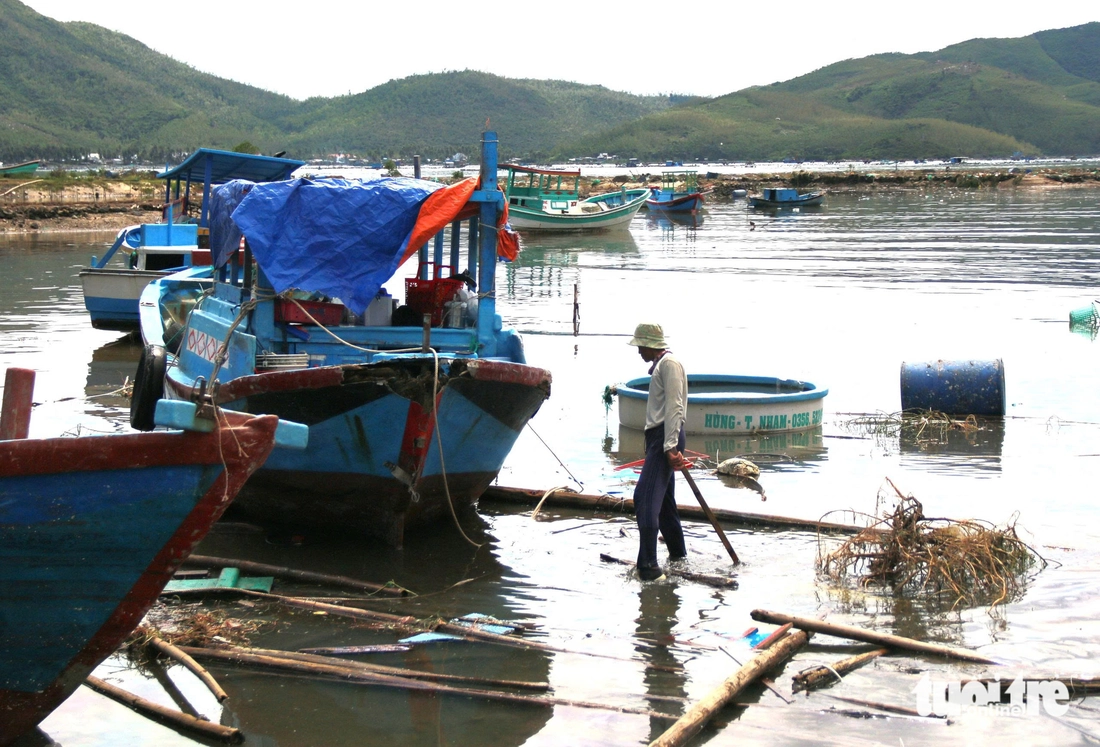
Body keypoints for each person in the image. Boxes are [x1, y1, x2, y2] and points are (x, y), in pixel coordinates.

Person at [627, 322, 688, 581]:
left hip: (665, 437)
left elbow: (675, 407)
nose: (639, 350)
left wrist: (670, 446)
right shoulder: (660, 366)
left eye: (641, 345)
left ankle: (649, 566)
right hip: (660, 437)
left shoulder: (669, 365)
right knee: (663, 504)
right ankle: (678, 556)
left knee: (643, 498)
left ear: (651, 345)